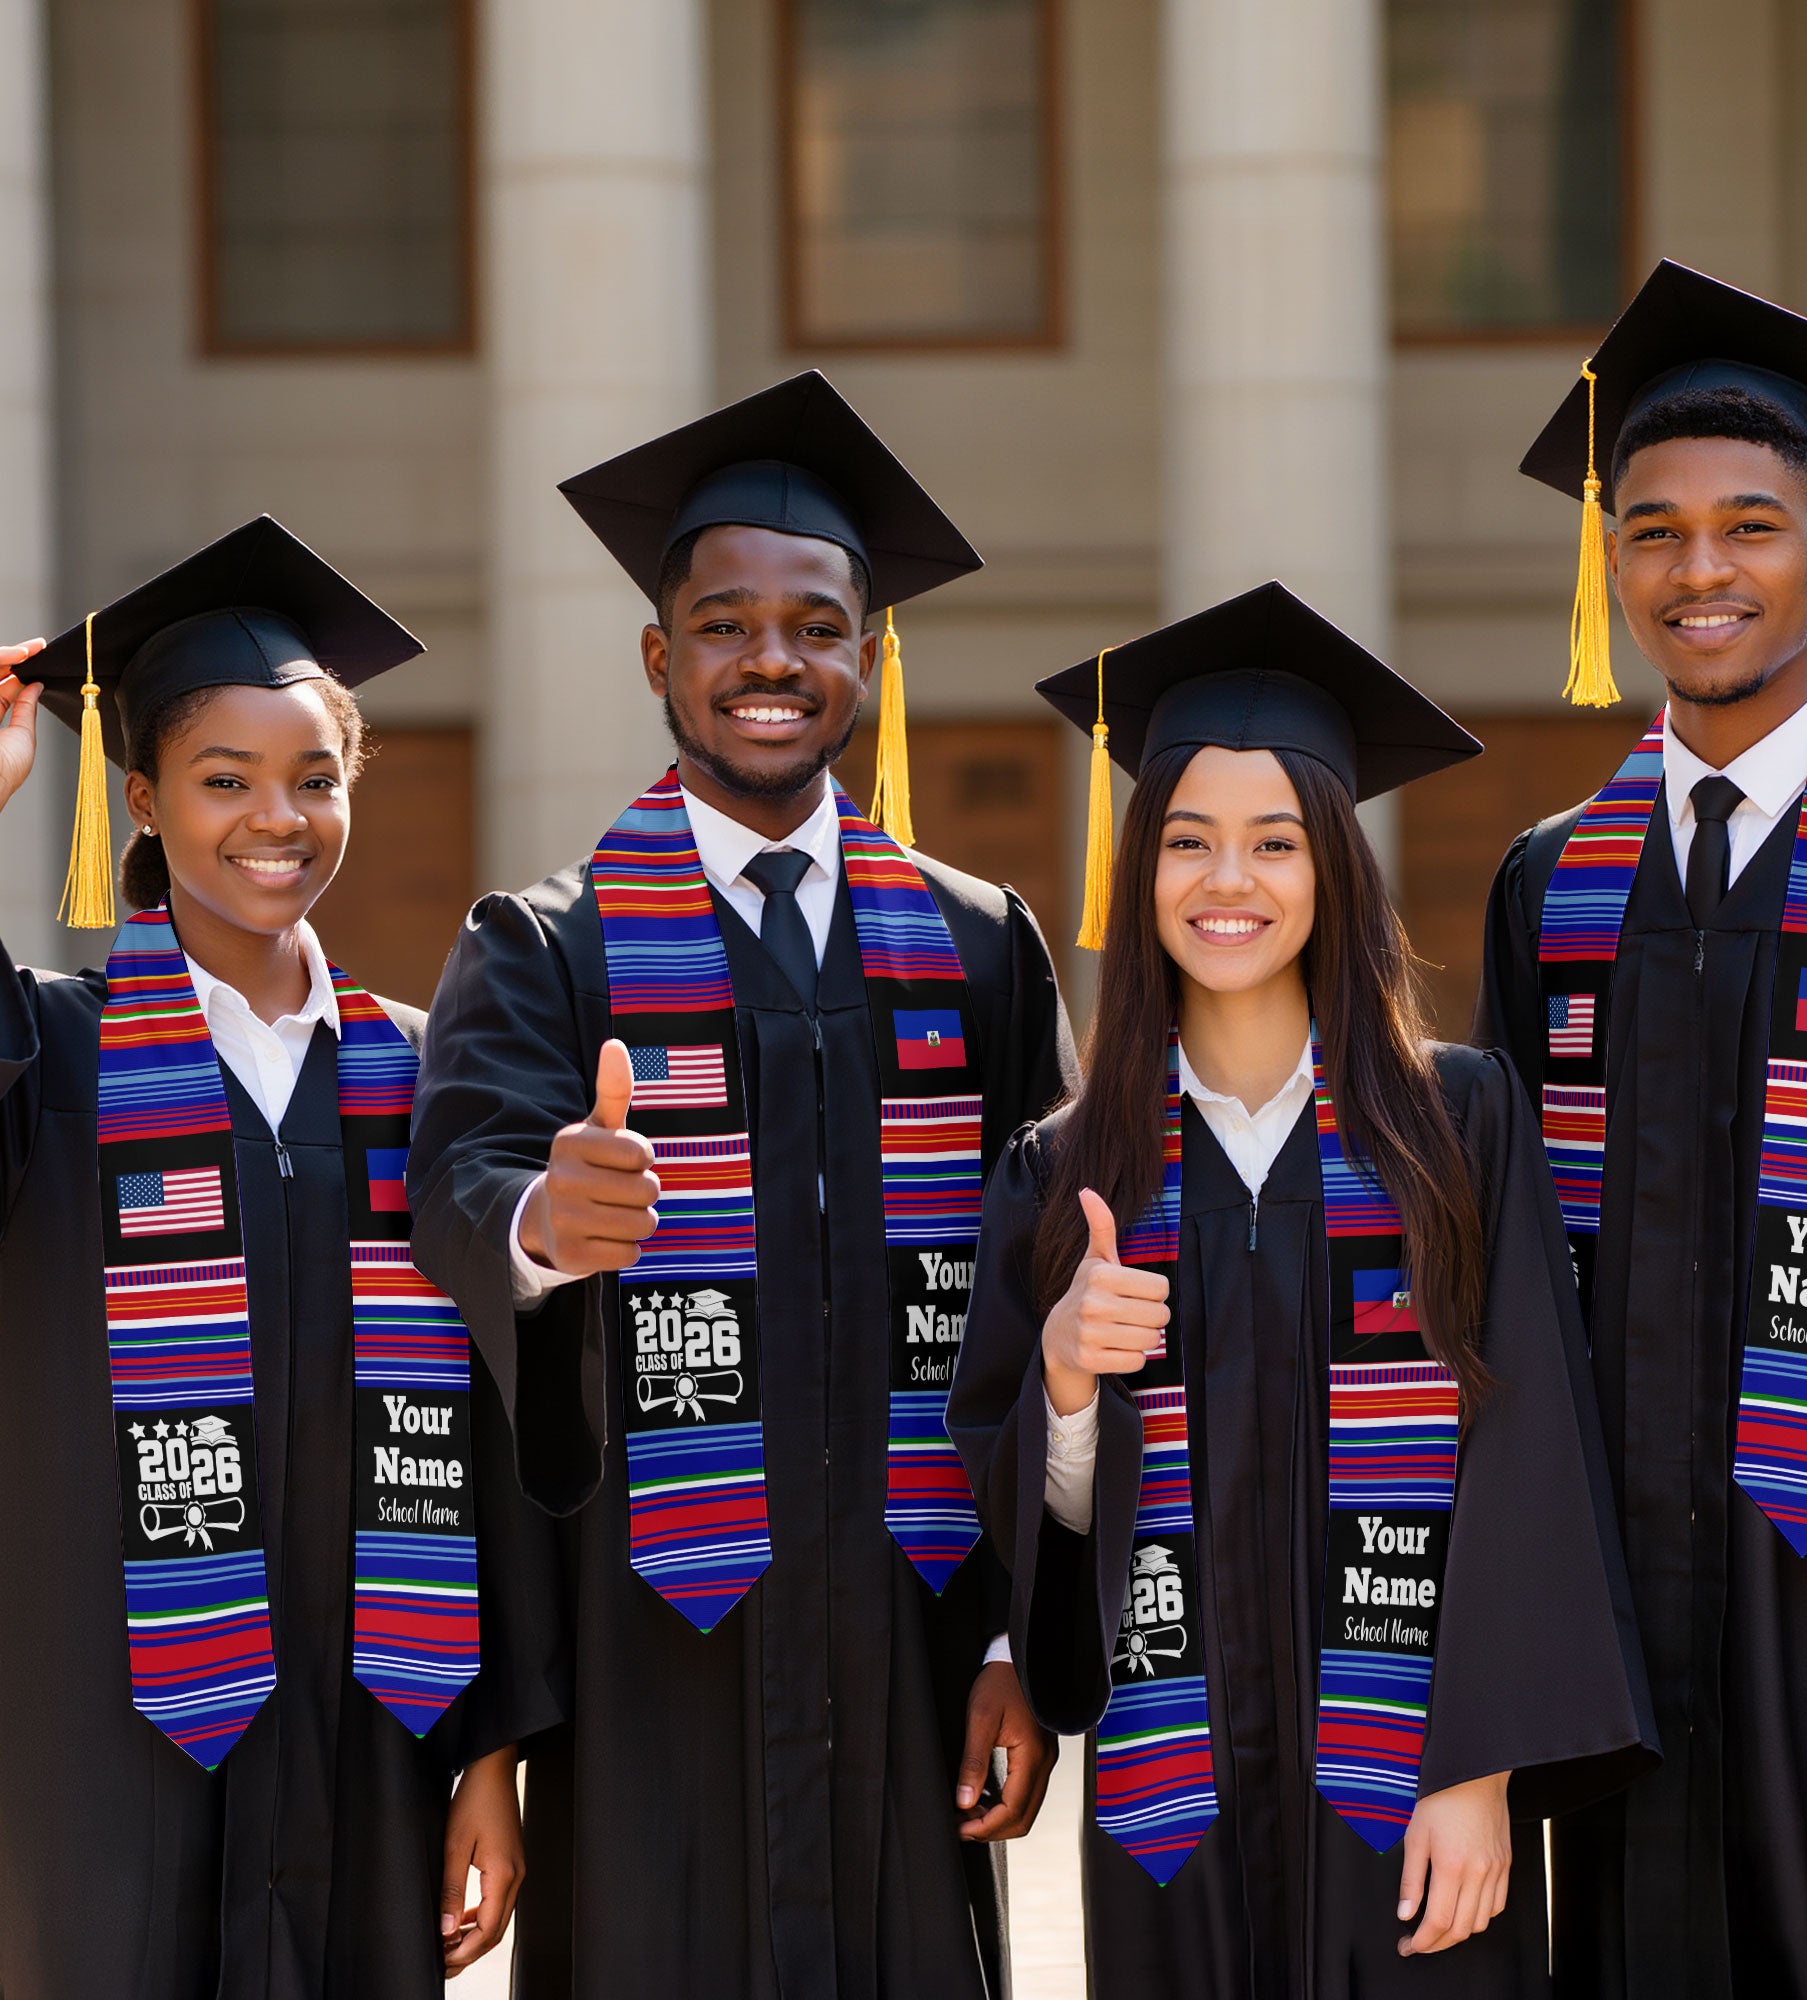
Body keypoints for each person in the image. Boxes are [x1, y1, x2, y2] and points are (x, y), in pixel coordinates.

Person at [406, 371, 1076, 1996]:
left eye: (816, 624)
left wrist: (1017, 1645)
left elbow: (1056, 1296)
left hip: (916, 1648)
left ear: (870, 655)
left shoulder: (978, 947)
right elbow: (458, 1193)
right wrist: (543, 1225)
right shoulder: (547, 948)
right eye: (722, 624)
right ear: (660, 656)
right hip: (655, 1661)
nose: (770, 660)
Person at [948, 582, 1654, 1998]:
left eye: (1274, 843)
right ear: (1139, 870)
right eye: (1190, 842)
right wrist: (1069, 1385)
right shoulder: (1068, 1167)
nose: (1230, 883)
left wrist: (1479, 1767)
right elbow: (1032, 1520)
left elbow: (1531, 1457)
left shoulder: (1461, 1128)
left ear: (1333, 868)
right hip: (1173, 1815)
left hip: (1412, 1797)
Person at [1476, 260, 1807, 2000]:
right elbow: (1503, 1285)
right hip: (1623, 1619)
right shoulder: (1554, 884)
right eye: (1654, 529)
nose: (1701, 571)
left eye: (1751, 526)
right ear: (1609, 559)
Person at [0, 516, 565, 1999]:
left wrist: (493, 1758)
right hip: (98, 1741)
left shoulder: (423, 1077)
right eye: (224, 780)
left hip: (372, 1725)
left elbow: (500, 1433)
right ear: (139, 797)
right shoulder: (53, 1055)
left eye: (316, 780)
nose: (278, 818)